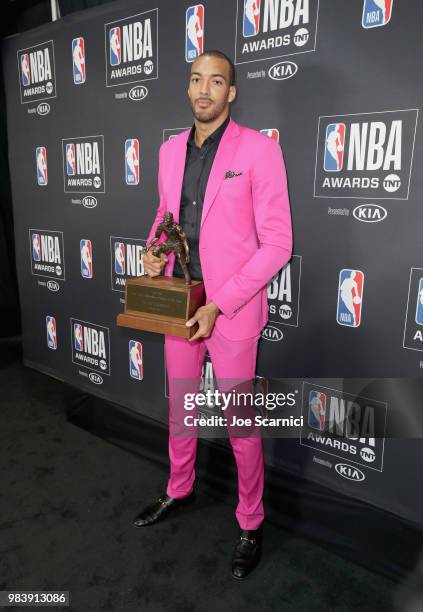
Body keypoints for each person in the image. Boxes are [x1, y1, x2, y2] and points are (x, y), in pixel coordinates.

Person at [134, 50, 293, 580]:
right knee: (182, 405)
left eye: (216, 81)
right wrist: (155, 250)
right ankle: (179, 489)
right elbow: (166, 217)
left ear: (231, 93)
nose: (205, 89)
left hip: (233, 308)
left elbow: (277, 244)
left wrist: (221, 304)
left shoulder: (261, 151)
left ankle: (251, 521)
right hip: (182, 299)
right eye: (196, 79)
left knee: (241, 424)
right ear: (188, 89)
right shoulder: (169, 150)